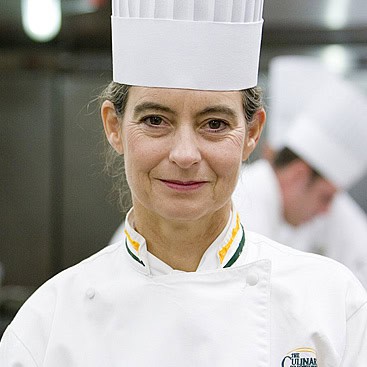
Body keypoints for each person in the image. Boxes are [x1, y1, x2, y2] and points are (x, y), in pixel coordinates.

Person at [1, 1, 367, 366]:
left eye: (214, 124)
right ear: (114, 126)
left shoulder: (333, 307)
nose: (185, 154)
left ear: (252, 133)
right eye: (156, 120)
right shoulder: (47, 329)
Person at [232, 56, 367, 287]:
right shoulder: (242, 209)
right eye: (326, 197)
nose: (327, 210)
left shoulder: (280, 204)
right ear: (298, 175)